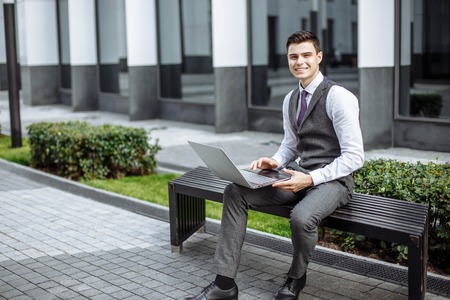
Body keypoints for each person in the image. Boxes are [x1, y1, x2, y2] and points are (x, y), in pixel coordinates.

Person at [184, 30, 364, 300]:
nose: (299, 61)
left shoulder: (339, 97)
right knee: (235, 191)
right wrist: (276, 160)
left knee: (301, 218)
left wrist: (311, 179)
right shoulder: (290, 99)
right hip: (297, 176)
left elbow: (355, 156)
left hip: (334, 182)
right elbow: (290, 143)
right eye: (293, 56)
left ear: (319, 57)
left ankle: (295, 278)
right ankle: (224, 285)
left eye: (306, 55)